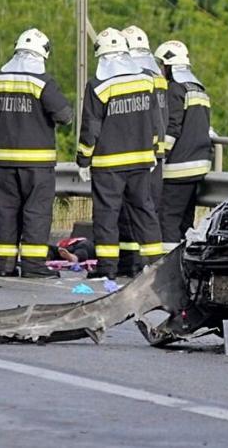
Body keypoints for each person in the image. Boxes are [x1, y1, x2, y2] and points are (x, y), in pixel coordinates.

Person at [78, 28, 163, 280]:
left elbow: (91, 127)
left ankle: (107, 269)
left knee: (107, 216)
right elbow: (155, 121)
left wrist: (83, 159)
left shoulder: (98, 86)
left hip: (108, 164)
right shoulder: (146, 81)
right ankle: (157, 267)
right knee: (144, 212)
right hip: (140, 160)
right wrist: (154, 150)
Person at [0, 29, 72, 278]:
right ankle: (34, 266)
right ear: (42, 52)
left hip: (4, 161)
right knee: (36, 212)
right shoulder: (42, 81)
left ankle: (4, 265)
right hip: (37, 162)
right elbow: (64, 116)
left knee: (5, 212)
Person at [115, 25, 169, 276]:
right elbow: (162, 116)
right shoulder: (157, 73)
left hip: (134, 153)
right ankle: (151, 265)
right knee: (148, 209)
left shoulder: (132, 74)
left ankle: (130, 263)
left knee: (129, 212)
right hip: (155, 153)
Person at [154, 40, 212, 253]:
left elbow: (172, 127)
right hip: (199, 166)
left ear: (169, 66)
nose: (160, 70)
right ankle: (186, 262)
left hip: (178, 167)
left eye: (161, 65)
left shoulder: (175, 89)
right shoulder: (199, 89)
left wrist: (159, 154)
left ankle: (166, 269)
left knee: (168, 219)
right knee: (185, 222)